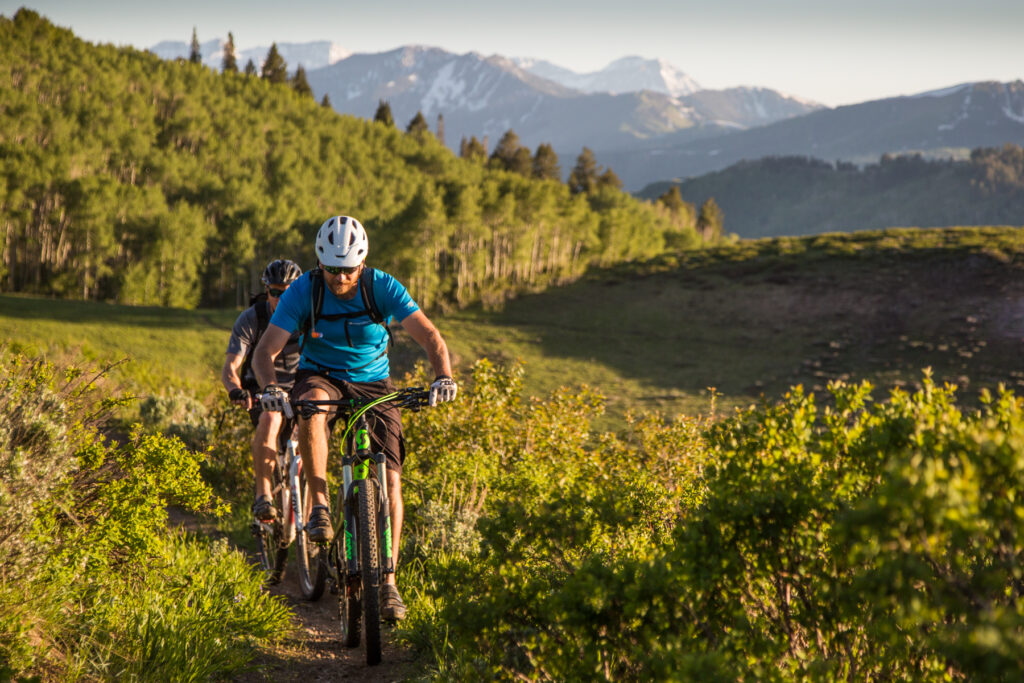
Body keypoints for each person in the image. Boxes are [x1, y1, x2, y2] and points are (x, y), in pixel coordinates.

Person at [253, 215, 456, 621]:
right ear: (320, 263)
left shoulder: (381, 285)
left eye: (348, 270)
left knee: (391, 478)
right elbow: (265, 351)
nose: (340, 278)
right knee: (309, 405)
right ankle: (321, 507)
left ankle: (389, 584)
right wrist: (272, 386)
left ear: (362, 263)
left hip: (373, 381)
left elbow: (430, 336)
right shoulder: (304, 290)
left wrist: (443, 377)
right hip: (321, 375)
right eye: (332, 269)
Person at [221, 258, 303, 521]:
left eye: (288, 292)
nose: (280, 298)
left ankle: (314, 511)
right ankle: (263, 496)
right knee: (270, 417)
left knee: (314, 431)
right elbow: (230, 367)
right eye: (275, 292)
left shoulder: (309, 317)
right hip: (261, 387)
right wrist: (236, 390)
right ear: (266, 290)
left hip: (300, 385)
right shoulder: (252, 318)